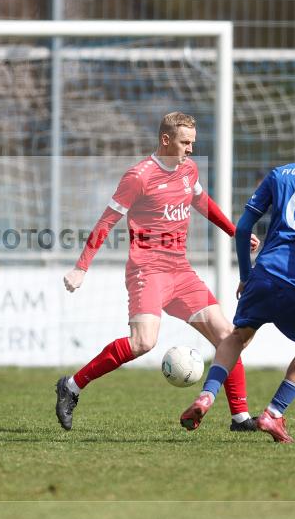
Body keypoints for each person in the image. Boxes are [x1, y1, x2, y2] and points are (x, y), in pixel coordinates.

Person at [55, 111, 260, 432]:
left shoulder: (188, 170)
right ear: (166, 140)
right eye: (184, 142)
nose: (190, 149)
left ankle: (241, 418)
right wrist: (81, 268)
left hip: (180, 271)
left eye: (193, 143)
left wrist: (235, 231)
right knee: (142, 343)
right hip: (147, 271)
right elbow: (106, 222)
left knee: (229, 337)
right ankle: (71, 386)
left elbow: (201, 201)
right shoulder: (139, 176)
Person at [180, 107, 295, 443]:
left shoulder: (280, 175)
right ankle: (273, 413)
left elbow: (243, 230)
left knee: (237, 336)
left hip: (265, 275)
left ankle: (206, 395)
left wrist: (246, 275)